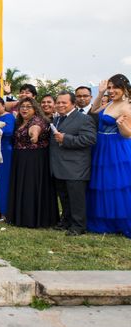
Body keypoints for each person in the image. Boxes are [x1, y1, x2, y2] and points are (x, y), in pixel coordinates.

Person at [87, 75, 131, 237]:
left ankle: (120, 221)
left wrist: (121, 125)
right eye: (110, 87)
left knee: (116, 184)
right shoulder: (112, 102)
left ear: (125, 88)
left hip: (116, 148)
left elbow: (128, 134)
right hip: (101, 146)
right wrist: (100, 93)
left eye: (115, 88)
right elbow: (93, 111)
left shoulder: (127, 106)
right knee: (102, 183)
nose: (111, 91)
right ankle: (104, 220)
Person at [49, 91, 97, 236]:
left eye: (64, 102)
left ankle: (78, 226)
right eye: (58, 102)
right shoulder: (56, 119)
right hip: (58, 166)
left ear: (73, 103)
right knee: (64, 196)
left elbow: (90, 139)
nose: (60, 105)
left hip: (76, 167)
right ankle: (66, 221)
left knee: (76, 199)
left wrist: (66, 139)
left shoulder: (84, 119)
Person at [7, 98, 58, 228]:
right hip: (20, 158)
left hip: (34, 159)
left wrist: (34, 135)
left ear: (35, 109)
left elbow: (35, 129)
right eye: (22, 106)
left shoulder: (37, 120)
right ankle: (20, 217)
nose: (24, 109)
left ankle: (31, 219)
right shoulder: (20, 121)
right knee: (22, 187)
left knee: (31, 187)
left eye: (28, 106)